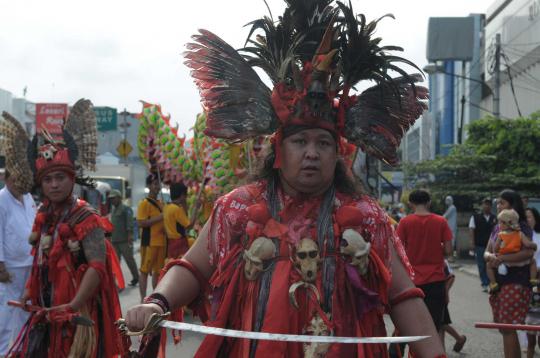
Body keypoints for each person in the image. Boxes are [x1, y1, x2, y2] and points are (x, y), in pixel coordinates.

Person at [123, 1, 446, 356]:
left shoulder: (367, 215)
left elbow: (402, 294)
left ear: (338, 153)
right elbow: (194, 268)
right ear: (278, 148)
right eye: (300, 141)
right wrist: (157, 301)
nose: (312, 152)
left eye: (323, 142)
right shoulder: (238, 208)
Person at [0, 100, 128, 357]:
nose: (54, 185)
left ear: (72, 179)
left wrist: (74, 304)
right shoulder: (45, 216)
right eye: (48, 179)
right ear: (40, 184)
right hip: (49, 313)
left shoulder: (86, 216)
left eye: (60, 178)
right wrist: (28, 292)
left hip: (79, 315)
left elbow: (97, 266)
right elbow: (40, 263)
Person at [389, 190, 452, 356]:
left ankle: (395, 353)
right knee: (434, 326)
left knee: (405, 325)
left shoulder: (405, 222)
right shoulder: (441, 221)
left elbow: (397, 251)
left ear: (410, 204)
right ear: (429, 202)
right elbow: (448, 250)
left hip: (412, 283)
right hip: (436, 280)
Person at [484, 189, 535, 358]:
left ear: (512, 206)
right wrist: (492, 256)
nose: (498, 206)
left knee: (508, 327)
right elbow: (487, 252)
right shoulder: (496, 226)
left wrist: (502, 258)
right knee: (503, 327)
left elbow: (528, 253)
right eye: (497, 203)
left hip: (516, 281)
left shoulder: (521, 227)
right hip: (498, 282)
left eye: (502, 203)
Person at [0, 171, 36, 356]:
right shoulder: (1, 200)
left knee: (25, 309)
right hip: (10, 268)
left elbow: (35, 224)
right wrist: (0, 266)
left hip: (30, 264)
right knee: (5, 312)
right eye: (14, 179)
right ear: (6, 179)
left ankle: (22, 349)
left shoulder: (28, 197)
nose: (18, 183)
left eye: (21, 179)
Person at [486, 209, 537, 294]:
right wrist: (534, 246)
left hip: (503, 261)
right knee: (533, 261)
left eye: (500, 222)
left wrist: (497, 253)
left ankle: (493, 283)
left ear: (506, 223)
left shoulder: (500, 235)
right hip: (518, 261)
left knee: (488, 266)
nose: (499, 225)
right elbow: (528, 244)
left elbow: (495, 249)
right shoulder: (520, 234)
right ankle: (533, 279)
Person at [136, 174, 166, 302]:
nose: (157, 187)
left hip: (162, 242)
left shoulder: (161, 203)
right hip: (149, 242)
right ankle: (143, 298)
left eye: (158, 184)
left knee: (158, 272)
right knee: (144, 271)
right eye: (154, 184)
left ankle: (154, 298)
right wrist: (161, 217)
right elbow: (141, 222)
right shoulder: (144, 203)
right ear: (148, 186)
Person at [109, 189, 139, 287]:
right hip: (115, 240)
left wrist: (130, 236)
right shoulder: (113, 209)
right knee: (115, 262)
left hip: (124, 240)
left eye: (113, 198)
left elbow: (129, 223)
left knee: (129, 260)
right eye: (111, 199)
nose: (112, 200)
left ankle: (136, 277)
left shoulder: (126, 209)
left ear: (119, 198)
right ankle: (116, 282)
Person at [163, 182, 197, 260]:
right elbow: (189, 226)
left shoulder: (166, 207)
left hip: (171, 244)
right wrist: (196, 209)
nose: (186, 198)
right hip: (179, 244)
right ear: (182, 195)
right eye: (185, 195)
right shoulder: (176, 209)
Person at [469, 198, 497, 292]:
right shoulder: (475, 217)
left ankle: (491, 282)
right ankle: (484, 283)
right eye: (485, 204)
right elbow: (471, 230)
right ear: (482, 206)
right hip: (479, 245)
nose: (487, 206)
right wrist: (472, 243)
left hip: (492, 246)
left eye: (489, 204)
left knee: (491, 264)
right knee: (481, 265)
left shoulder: (495, 218)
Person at [439, 260, 466, 353]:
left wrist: (445, 292)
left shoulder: (442, 261)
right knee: (440, 324)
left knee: (440, 323)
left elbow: (451, 277)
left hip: (439, 296)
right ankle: (442, 351)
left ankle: (459, 339)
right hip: (433, 294)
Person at [525, 207, 540, 358]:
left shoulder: (538, 236)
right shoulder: (519, 237)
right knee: (529, 335)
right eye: (525, 217)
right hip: (527, 285)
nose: (527, 220)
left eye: (529, 217)